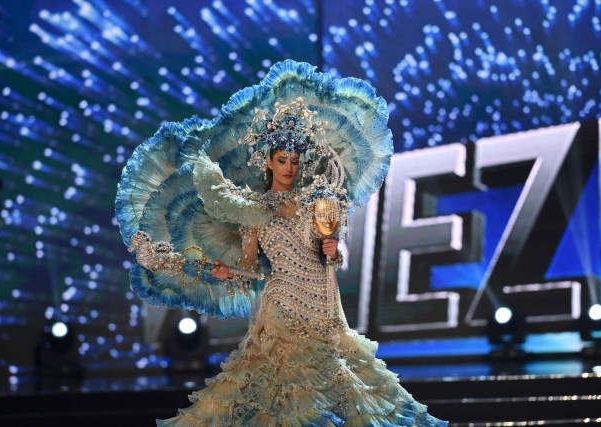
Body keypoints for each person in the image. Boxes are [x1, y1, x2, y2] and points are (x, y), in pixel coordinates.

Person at [116, 60, 448, 426]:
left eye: (294, 160)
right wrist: (222, 270)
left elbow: (335, 249)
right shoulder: (252, 210)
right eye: (281, 160)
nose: (289, 167)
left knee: (346, 389)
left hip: (325, 306)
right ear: (268, 162)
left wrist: (334, 250)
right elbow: (253, 267)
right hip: (282, 307)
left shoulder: (318, 201)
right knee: (287, 395)